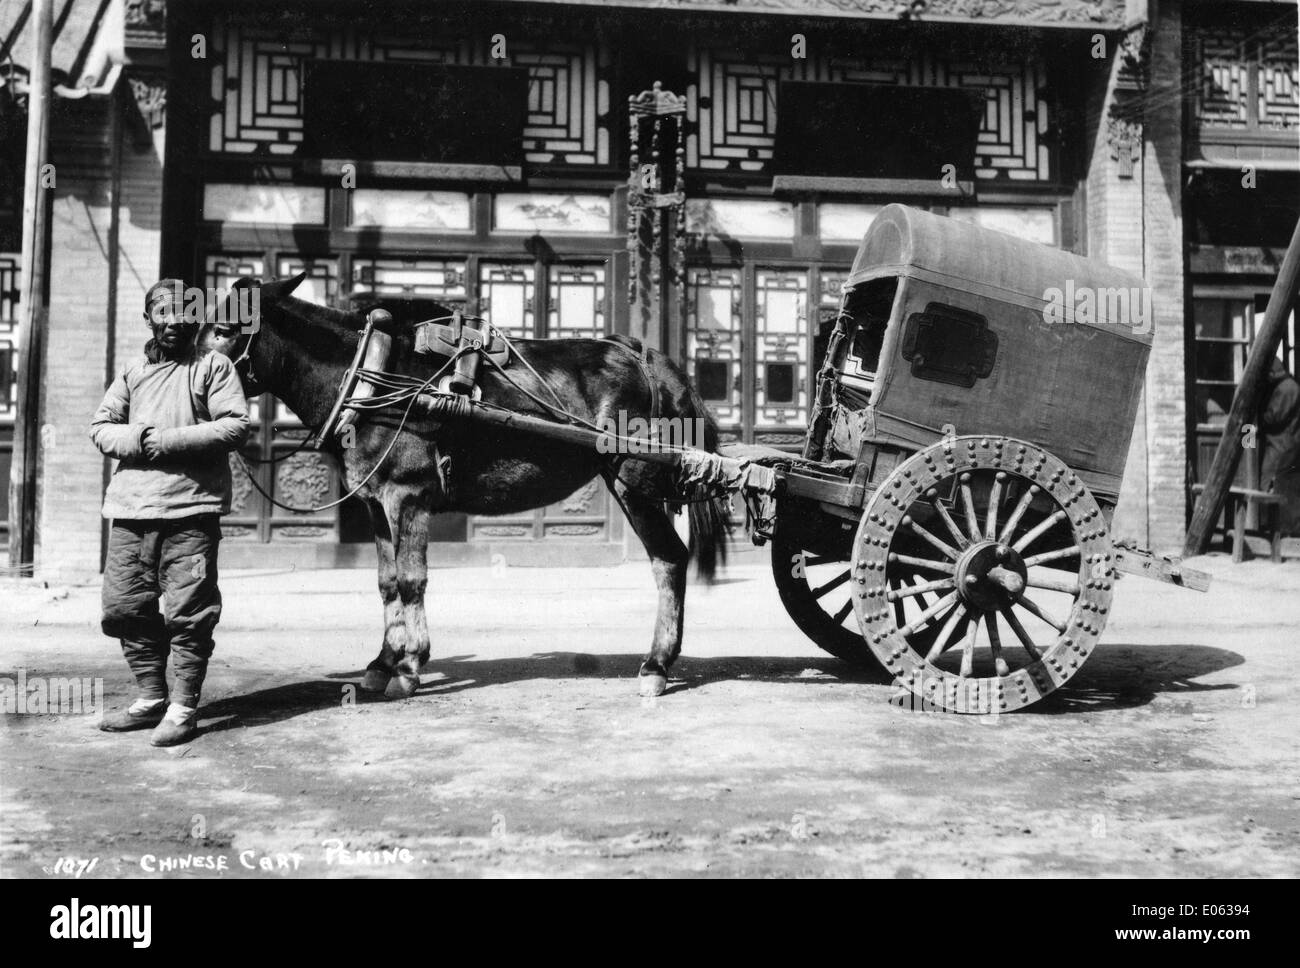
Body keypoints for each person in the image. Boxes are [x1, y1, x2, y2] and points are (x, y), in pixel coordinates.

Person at [89, 279, 251, 746]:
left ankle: (182, 708)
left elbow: (235, 425)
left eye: (184, 312)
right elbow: (101, 427)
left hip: (191, 511)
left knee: (189, 612)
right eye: (164, 311)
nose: (175, 320)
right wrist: (140, 439)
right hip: (132, 509)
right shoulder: (133, 371)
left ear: (196, 320)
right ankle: (150, 697)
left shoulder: (212, 366)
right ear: (149, 319)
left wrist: (168, 441)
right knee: (123, 608)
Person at [1260, 357, 1300, 535]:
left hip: (1282, 446)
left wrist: (1257, 416)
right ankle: (1273, 527)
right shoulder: (1285, 386)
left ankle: (1277, 529)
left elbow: (1274, 417)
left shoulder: (1286, 388)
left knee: (1273, 485)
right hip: (1279, 444)